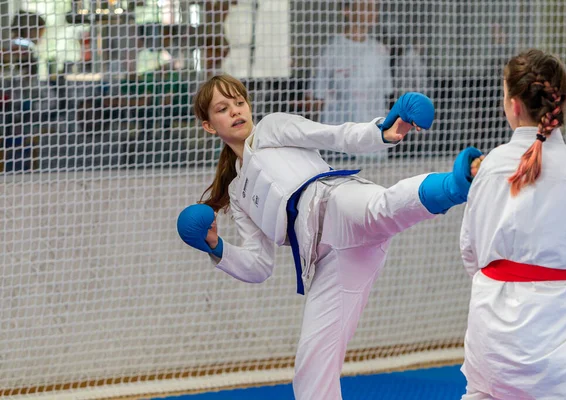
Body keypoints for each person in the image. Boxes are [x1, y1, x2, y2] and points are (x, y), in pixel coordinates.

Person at [177, 74, 482, 400]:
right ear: (209, 126)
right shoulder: (238, 193)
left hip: (335, 203)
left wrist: (383, 131)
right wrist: (216, 246)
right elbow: (259, 266)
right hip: (328, 259)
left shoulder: (272, 127)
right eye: (223, 108)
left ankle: (460, 181)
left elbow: (335, 135)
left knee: (383, 208)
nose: (236, 111)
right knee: (311, 365)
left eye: (239, 102)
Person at [459, 49, 566, 399]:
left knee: (485, 390)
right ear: (561, 102)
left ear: (513, 105)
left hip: (487, 331)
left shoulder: (490, 165)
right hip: (553, 333)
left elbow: (470, 253)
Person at [306, 0, 392, 162]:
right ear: (347, 10)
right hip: (339, 148)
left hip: (373, 146)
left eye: (375, 8)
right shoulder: (331, 51)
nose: (373, 12)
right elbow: (317, 98)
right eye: (365, 7)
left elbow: (387, 96)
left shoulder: (380, 51)